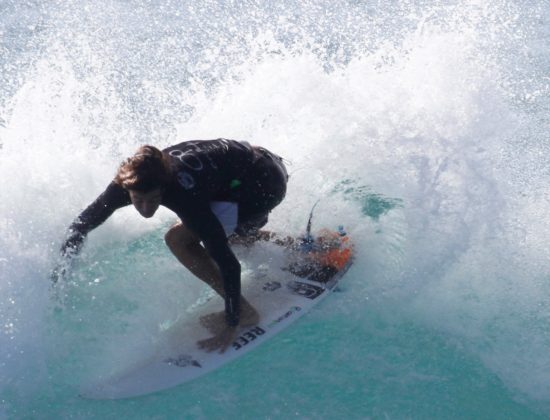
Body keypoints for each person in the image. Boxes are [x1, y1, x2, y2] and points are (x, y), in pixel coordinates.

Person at [52, 138, 288, 353]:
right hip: (249, 168)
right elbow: (80, 226)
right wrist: (61, 273)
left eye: (153, 200)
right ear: (127, 190)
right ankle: (294, 244)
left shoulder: (183, 193)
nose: (146, 209)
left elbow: (229, 265)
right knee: (216, 233)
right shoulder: (125, 183)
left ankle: (246, 312)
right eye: (138, 200)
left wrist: (231, 321)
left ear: (163, 189)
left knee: (180, 240)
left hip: (262, 184)